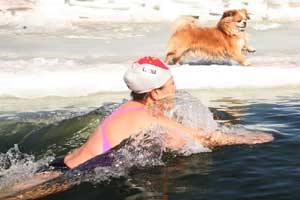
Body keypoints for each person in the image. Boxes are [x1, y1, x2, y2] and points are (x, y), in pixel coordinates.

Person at [56, 56, 273, 170]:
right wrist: (253, 138)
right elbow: (202, 139)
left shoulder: (130, 108)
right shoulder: (148, 116)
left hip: (62, 163)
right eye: (171, 84)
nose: (175, 89)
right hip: (69, 174)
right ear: (155, 93)